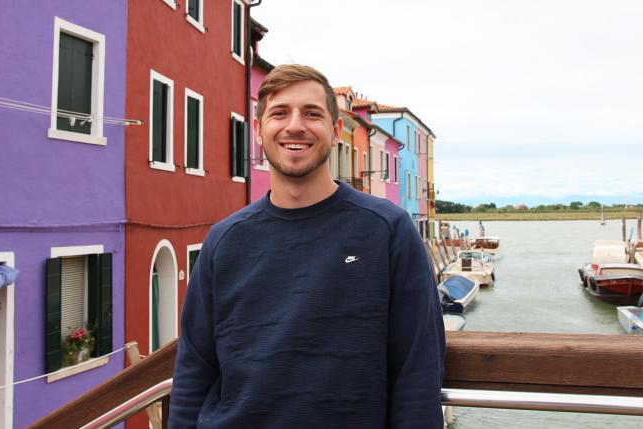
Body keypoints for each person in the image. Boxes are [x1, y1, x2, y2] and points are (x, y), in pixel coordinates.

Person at [167, 64, 445, 428]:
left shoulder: (388, 230)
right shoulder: (224, 240)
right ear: (258, 130)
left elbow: (418, 369)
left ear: (334, 131)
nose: (294, 125)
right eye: (279, 113)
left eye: (311, 113)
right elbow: (194, 368)